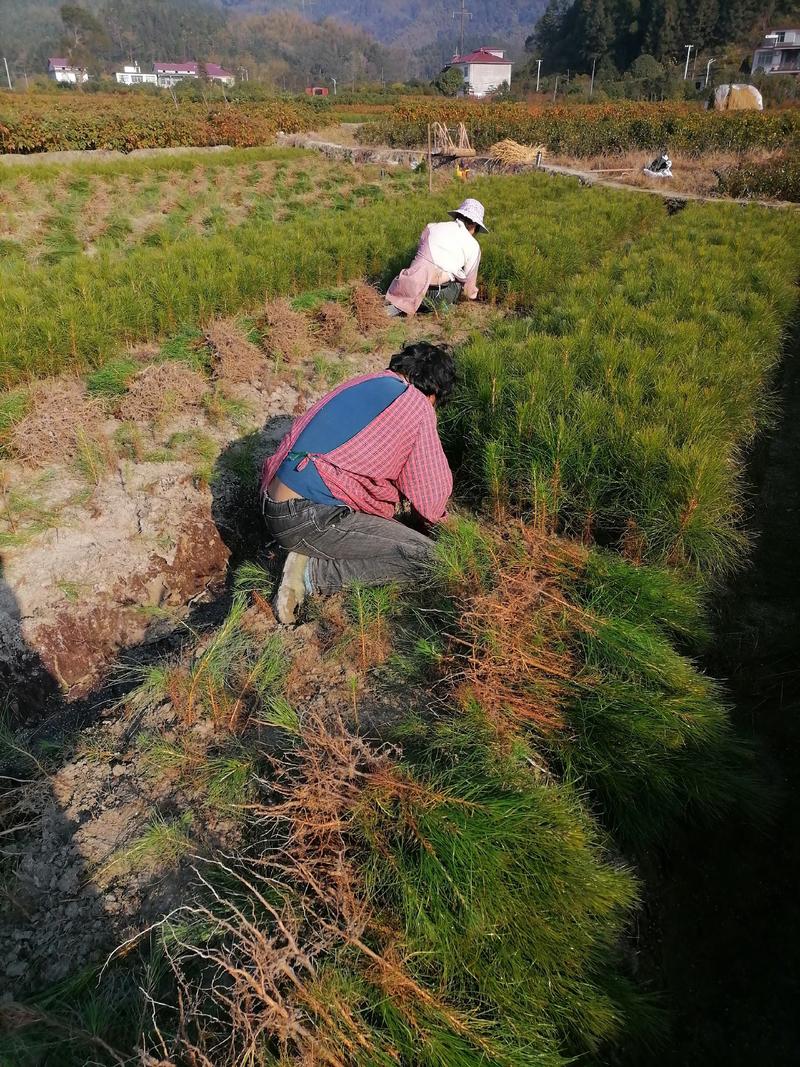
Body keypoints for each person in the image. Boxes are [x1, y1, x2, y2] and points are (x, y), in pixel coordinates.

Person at [260, 342, 456, 624]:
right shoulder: (416, 404)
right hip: (308, 515)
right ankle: (311, 574)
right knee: (428, 557)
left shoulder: (370, 381)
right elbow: (430, 494)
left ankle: (304, 554)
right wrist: (444, 529)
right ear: (434, 393)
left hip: (275, 503)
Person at [384, 198, 488, 318]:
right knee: (459, 282)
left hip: (408, 287)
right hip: (437, 295)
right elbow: (469, 290)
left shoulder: (431, 227)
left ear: (458, 216)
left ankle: (401, 303)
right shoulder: (474, 246)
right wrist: (472, 295)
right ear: (474, 225)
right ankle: (440, 307)